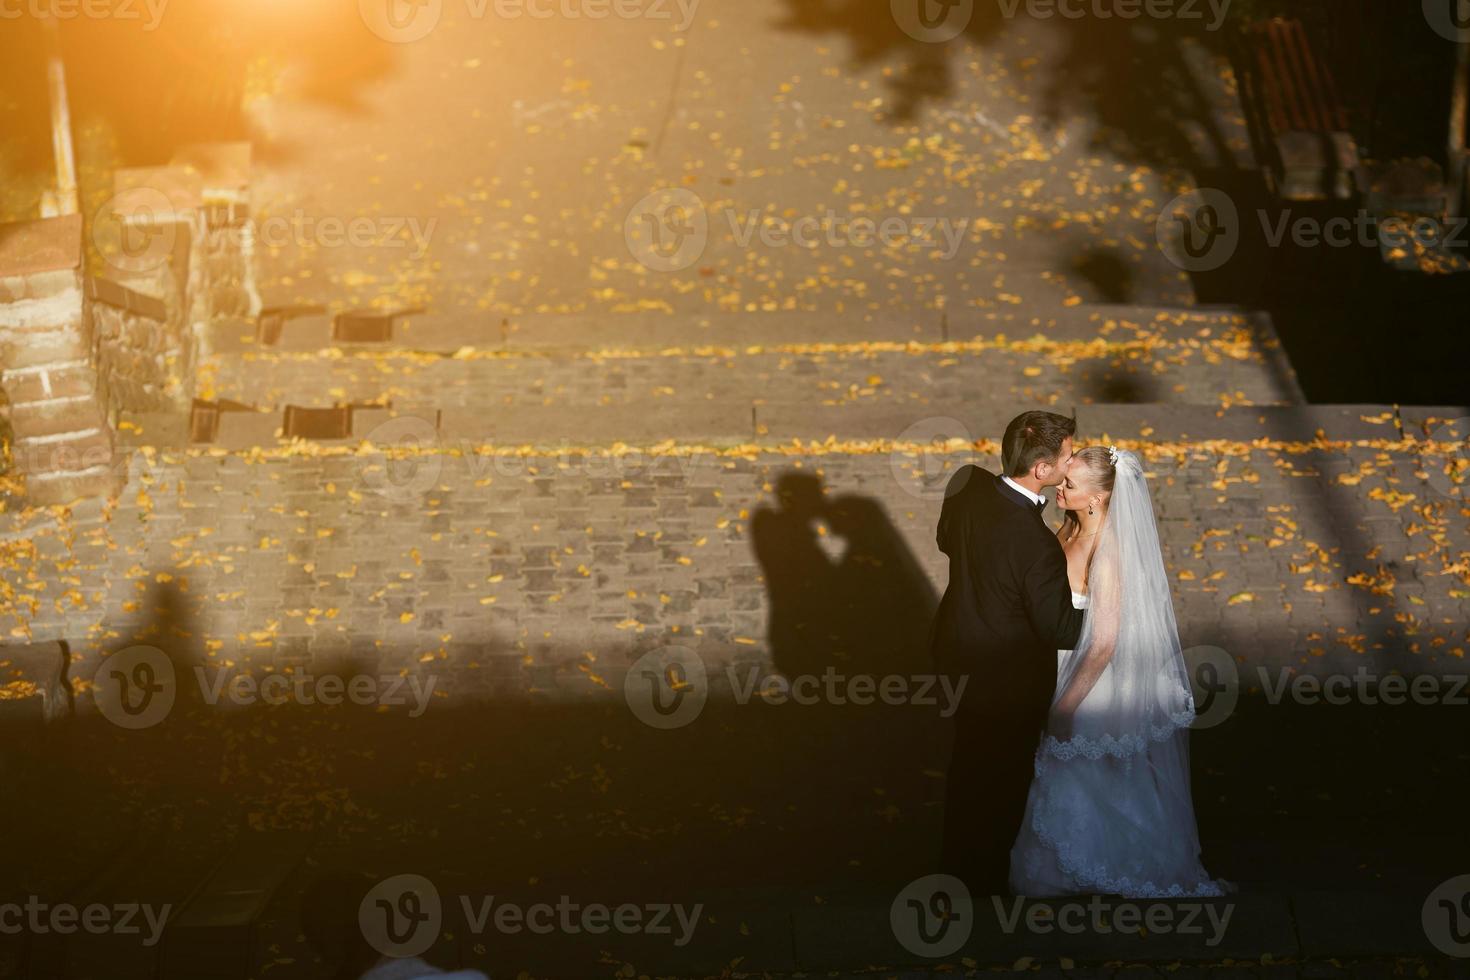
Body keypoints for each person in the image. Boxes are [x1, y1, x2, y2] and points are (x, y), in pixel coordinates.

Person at [1010, 446, 1225, 897]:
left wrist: (1067, 705)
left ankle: (1101, 867)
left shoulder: (1108, 553)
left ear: (1098, 499)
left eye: (1070, 485)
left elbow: (1104, 643)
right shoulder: (1067, 525)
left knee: (1092, 779)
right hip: (1054, 663)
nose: (1060, 488)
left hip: (1089, 681)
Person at [931, 411, 1086, 896]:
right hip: (1009, 683)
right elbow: (1059, 627)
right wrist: (1101, 606)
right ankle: (982, 885)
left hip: (959, 660)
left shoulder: (966, 486)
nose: (1072, 461)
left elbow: (944, 540)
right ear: (1042, 471)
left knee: (967, 771)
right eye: (1066, 456)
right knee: (1001, 785)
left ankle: (952, 867)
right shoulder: (1036, 546)